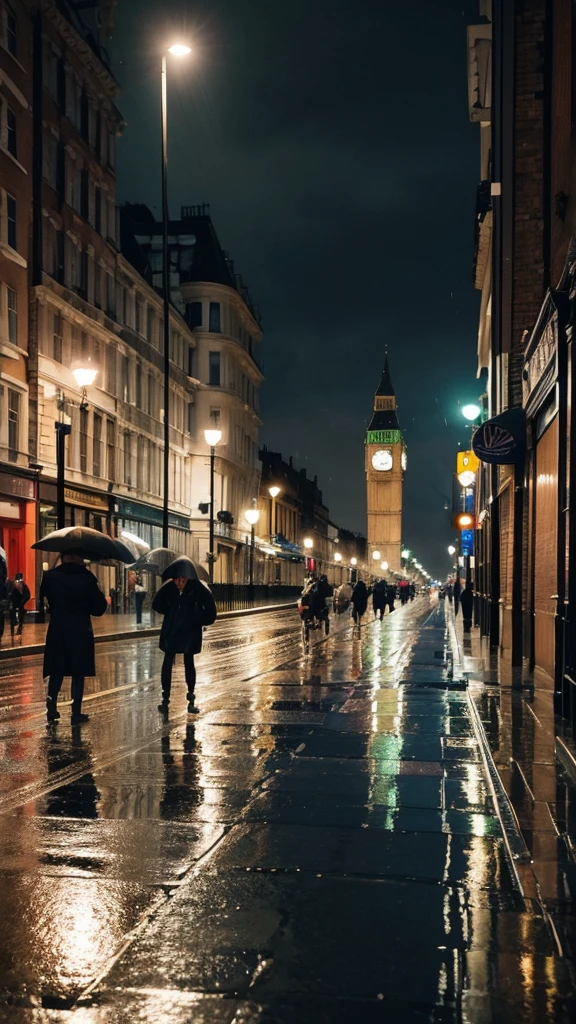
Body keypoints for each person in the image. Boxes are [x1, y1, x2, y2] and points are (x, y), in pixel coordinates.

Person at [41, 551, 108, 724]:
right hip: (79, 629)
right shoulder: (86, 578)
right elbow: (99, 608)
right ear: (75, 557)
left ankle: (52, 706)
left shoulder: (50, 577)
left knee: (57, 668)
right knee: (78, 671)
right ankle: (76, 712)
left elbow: (45, 601)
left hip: (57, 628)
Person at [152, 560, 217, 714]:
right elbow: (157, 604)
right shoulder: (169, 587)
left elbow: (211, 612)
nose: (179, 583)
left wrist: (198, 620)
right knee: (168, 662)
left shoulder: (198, 588)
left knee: (189, 662)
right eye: (177, 580)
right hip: (172, 631)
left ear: (188, 578)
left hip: (189, 631)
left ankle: (191, 698)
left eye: (182, 580)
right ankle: (165, 698)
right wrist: (170, 612)